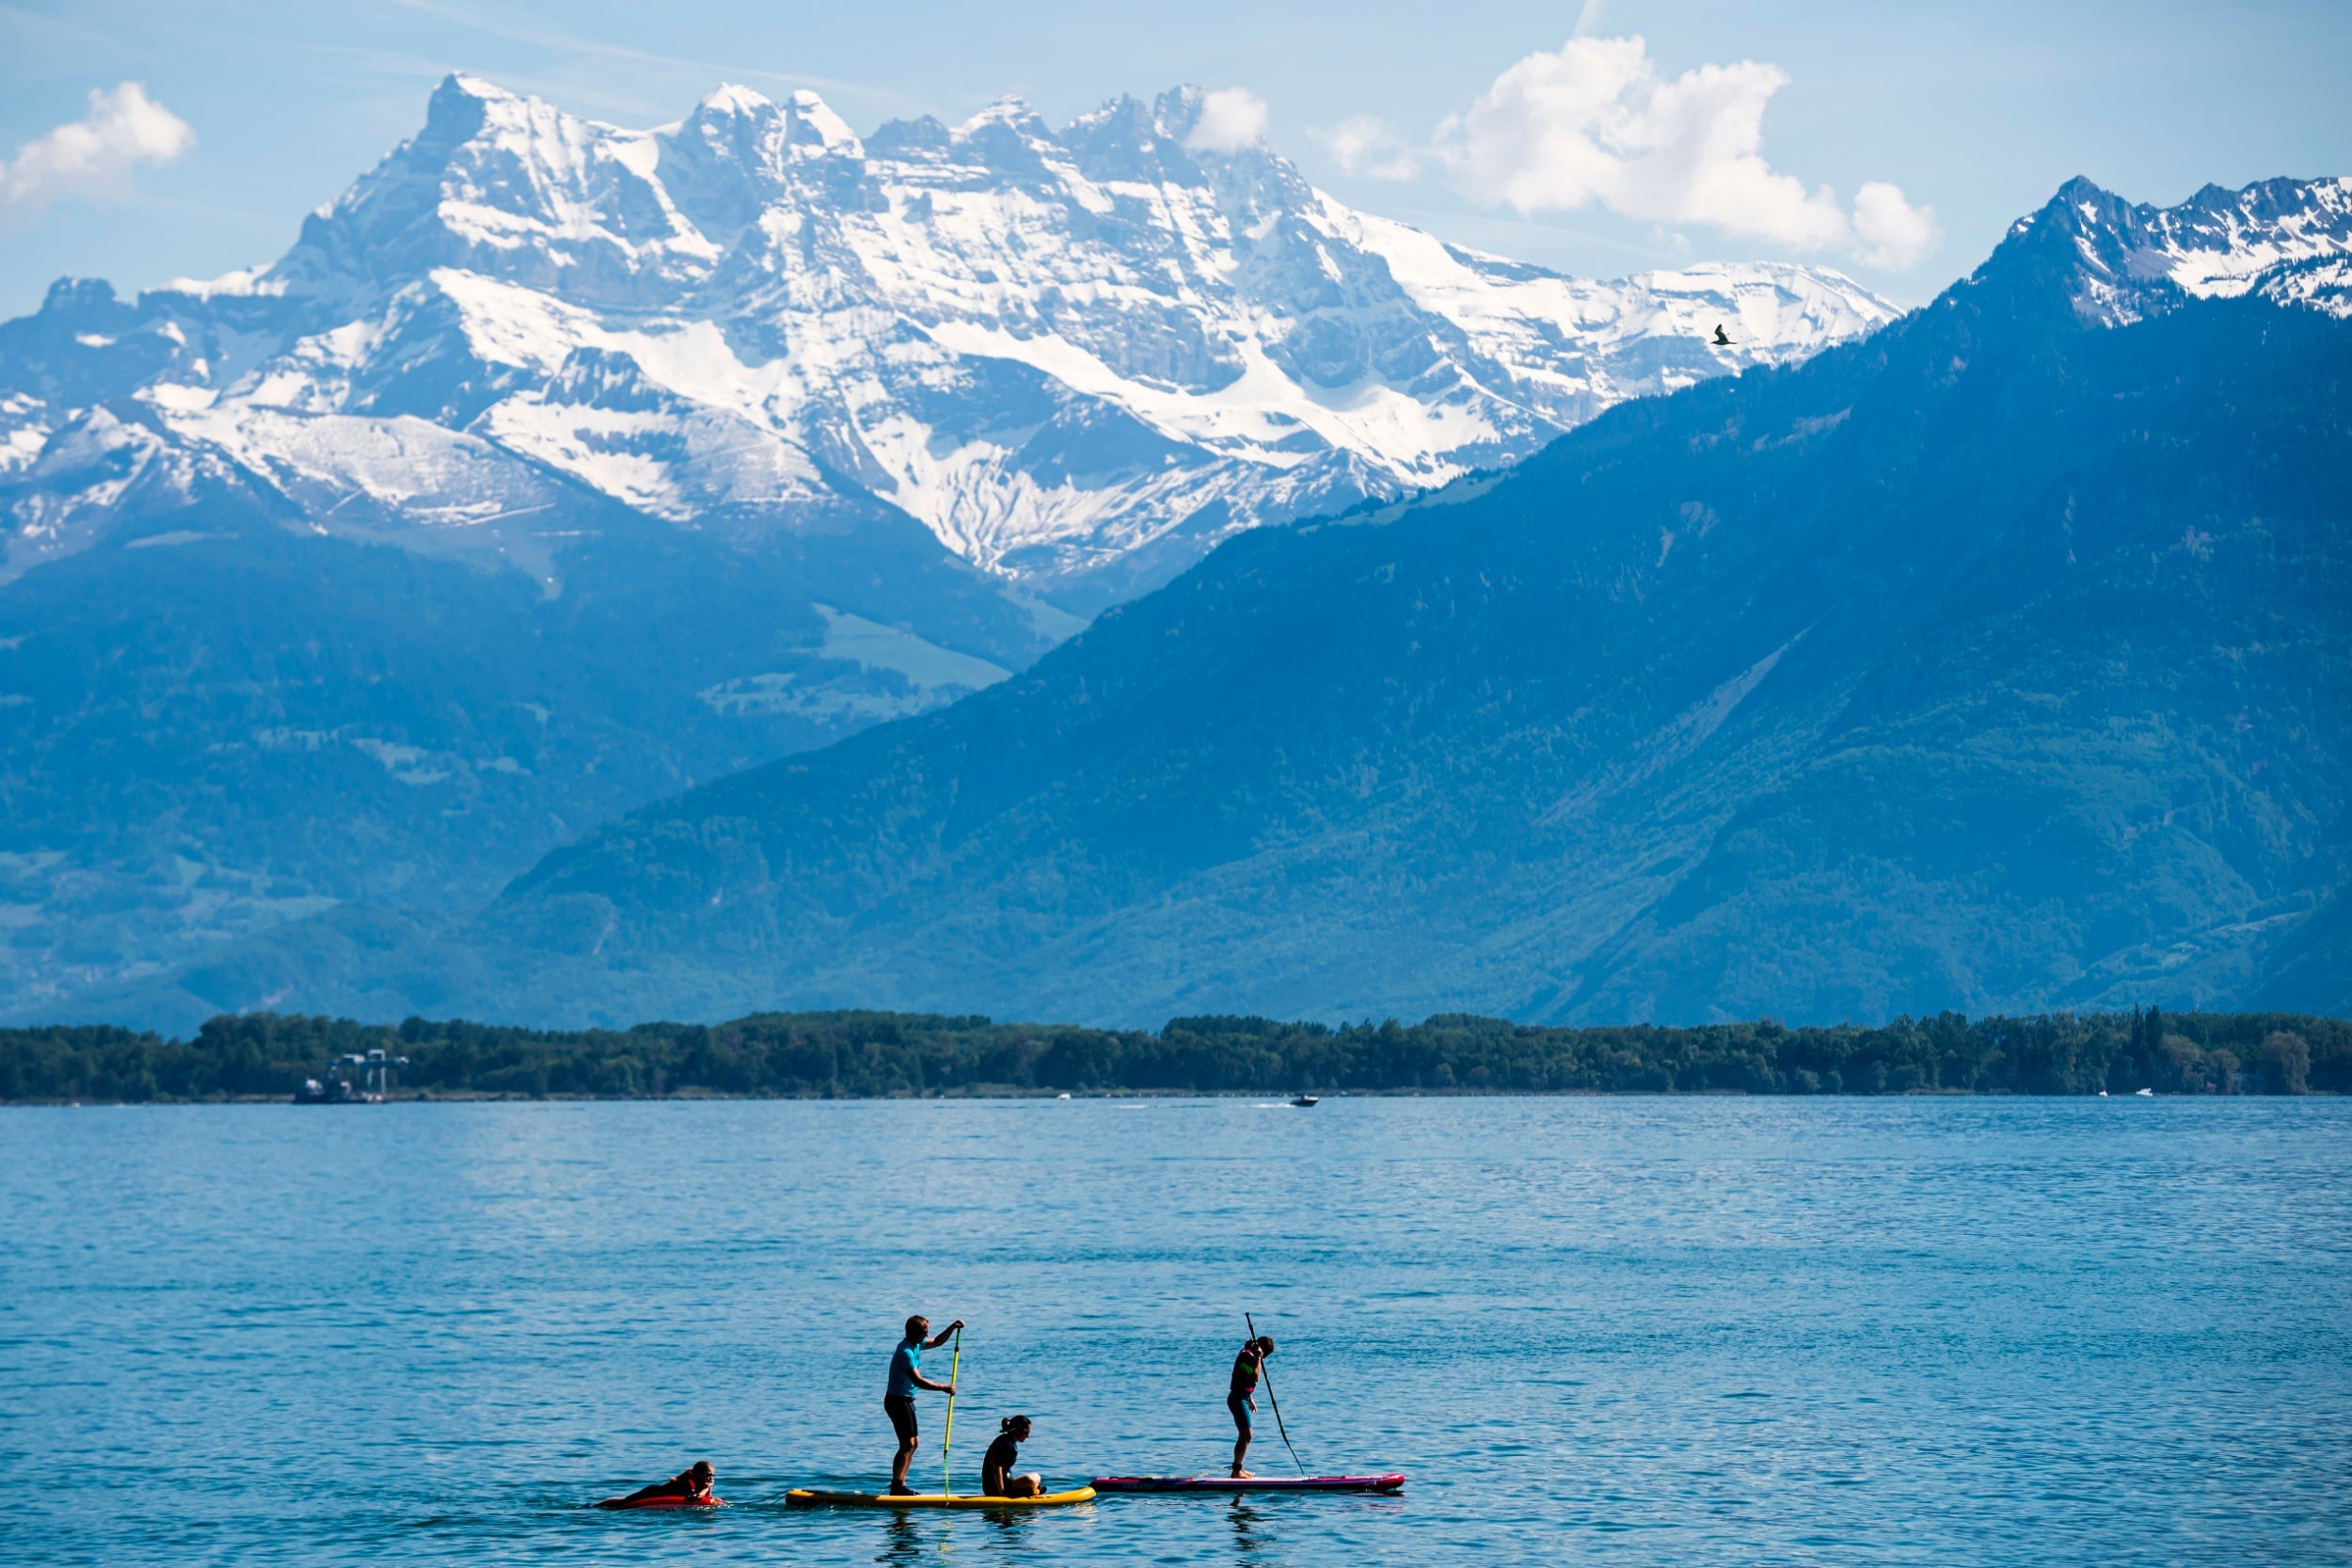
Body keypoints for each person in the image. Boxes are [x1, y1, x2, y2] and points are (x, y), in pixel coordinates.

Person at [885, 1313, 963, 1495]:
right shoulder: (905, 1351)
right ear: (912, 1331)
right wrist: (943, 1387)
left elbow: (937, 1341)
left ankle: (899, 1485)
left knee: (913, 1444)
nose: (926, 1335)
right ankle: (897, 1486)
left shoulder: (916, 1344)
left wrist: (952, 1327)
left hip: (906, 1400)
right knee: (906, 1444)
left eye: (926, 1331)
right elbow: (917, 1380)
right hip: (897, 1401)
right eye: (923, 1331)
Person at [1229, 1334, 1275, 1478]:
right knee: (1246, 1435)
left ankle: (1238, 1469)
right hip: (1237, 1398)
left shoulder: (1248, 1355)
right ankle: (1236, 1471)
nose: (1264, 1358)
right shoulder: (1247, 1356)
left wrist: (1249, 1398)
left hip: (1241, 1397)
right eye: (1265, 1355)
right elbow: (1255, 1376)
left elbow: (1244, 1379)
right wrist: (1259, 1358)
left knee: (1245, 1435)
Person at [596, 1460, 716, 1508]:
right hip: (653, 1492)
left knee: (624, 1501)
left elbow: (706, 1499)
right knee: (625, 1501)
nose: (711, 1477)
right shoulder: (689, 1480)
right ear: (699, 1474)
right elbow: (694, 1498)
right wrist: (706, 1488)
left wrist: (709, 1487)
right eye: (709, 1474)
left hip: (660, 1495)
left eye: (713, 1475)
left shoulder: (700, 1481)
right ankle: (594, 1506)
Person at [981, 1415, 1043, 1497]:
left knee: (1036, 1477)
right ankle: (1032, 1491)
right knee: (1030, 1480)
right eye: (1027, 1432)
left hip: (1005, 1482)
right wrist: (1002, 1493)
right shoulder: (1006, 1444)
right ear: (1018, 1430)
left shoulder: (1009, 1441)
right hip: (993, 1487)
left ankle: (1032, 1490)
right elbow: (997, 1469)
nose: (1028, 1436)